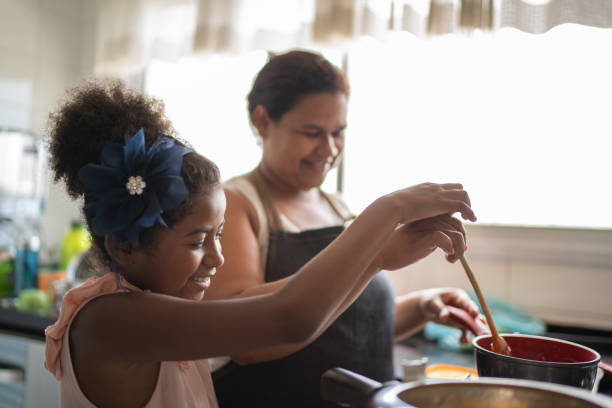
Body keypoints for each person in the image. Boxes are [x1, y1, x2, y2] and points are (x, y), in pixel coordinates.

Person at [43, 79, 476, 408]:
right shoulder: (112, 321)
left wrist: (377, 257)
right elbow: (289, 317)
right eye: (198, 241)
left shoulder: (161, 309)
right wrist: (389, 211)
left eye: (218, 235)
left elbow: (296, 311)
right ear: (125, 247)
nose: (217, 257)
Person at [205, 50, 482, 407]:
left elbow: (345, 325)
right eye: (312, 133)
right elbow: (242, 340)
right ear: (262, 121)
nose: (329, 149)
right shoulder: (236, 204)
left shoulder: (337, 207)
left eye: (338, 133)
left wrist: (421, 307)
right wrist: (377, 253)